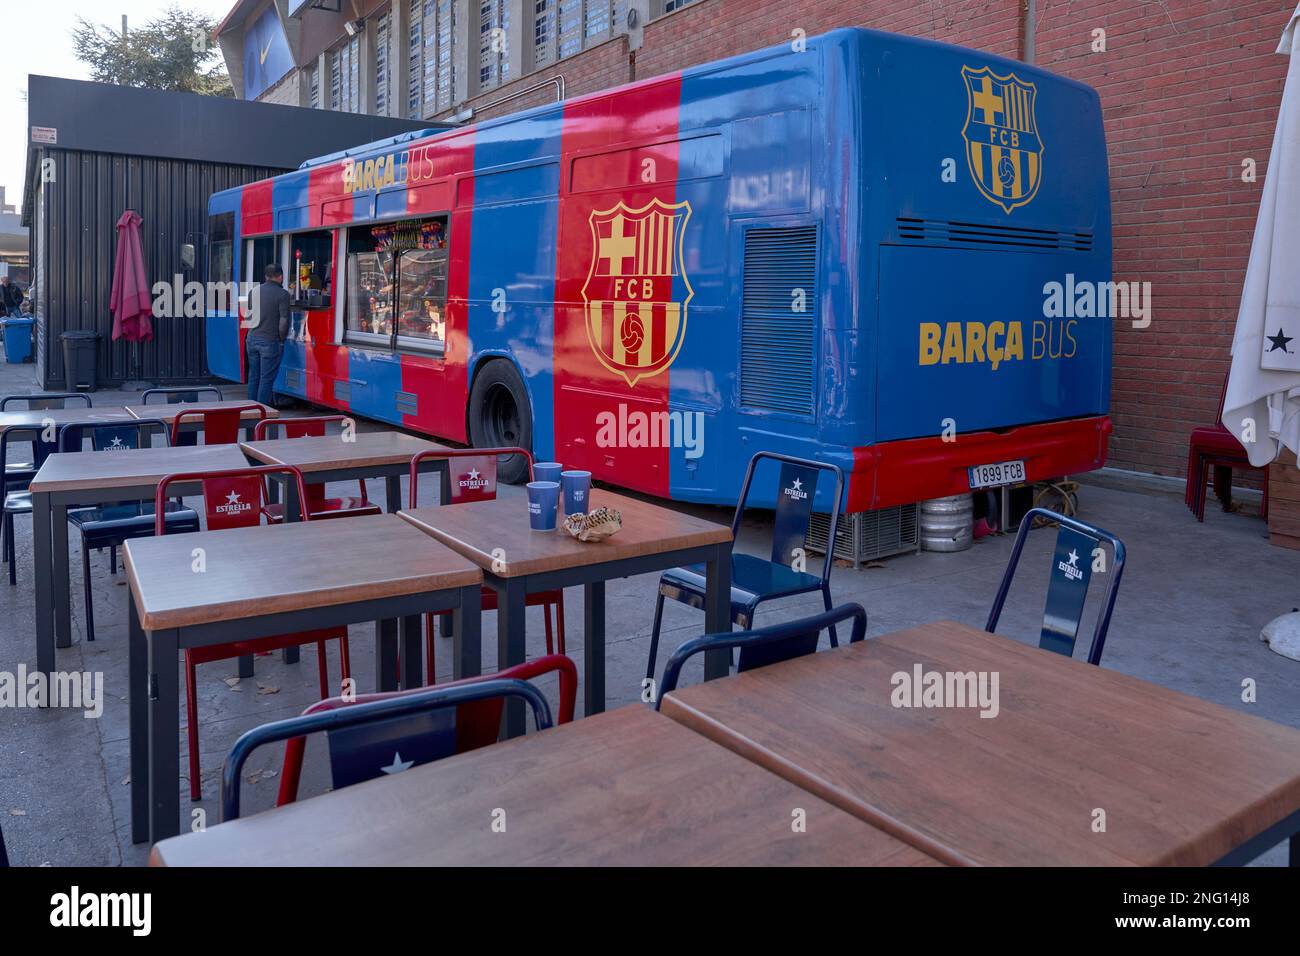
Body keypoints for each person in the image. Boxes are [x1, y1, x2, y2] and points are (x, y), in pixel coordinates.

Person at [244, 263, 290, 406]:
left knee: (253, 377)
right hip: (269, 341)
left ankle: (251, 411)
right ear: (281, 277)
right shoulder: (283, 294)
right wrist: (281, 340)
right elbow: (283, 321)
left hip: (252, 339)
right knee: (266, 379)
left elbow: (248, 317)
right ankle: (261, 413)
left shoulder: (254, 291)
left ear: (266, 276)